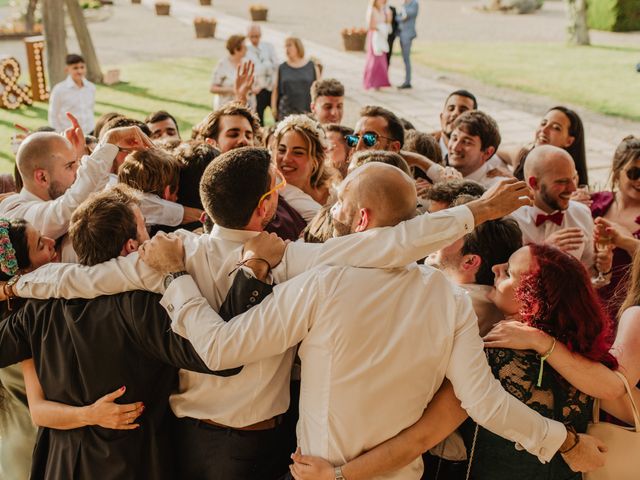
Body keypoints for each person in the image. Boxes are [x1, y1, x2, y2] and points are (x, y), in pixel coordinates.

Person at [141, 165, 606, 480]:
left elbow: (221, 348)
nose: (332, 210)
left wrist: (177, 278)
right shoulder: (450, 299)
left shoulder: (321, 284)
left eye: (340, 202)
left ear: (360, 218)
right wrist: (564, 441)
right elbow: (484, 402)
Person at [0, 187, 267, 479]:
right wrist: (252, 271)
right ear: (130, 247)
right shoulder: (140, 309)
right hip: (129, 465)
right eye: (145, 230)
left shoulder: (37, 309)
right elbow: (219, 356)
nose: (150, 238)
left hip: (60, 466)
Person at [0, 120, 152, 262]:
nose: (78, 171)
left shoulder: (61, 196)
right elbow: (69, 205)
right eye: (69, 166)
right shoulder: (15, 215)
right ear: (42, 177)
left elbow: (94, 191)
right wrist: (109, 141)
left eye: (78, 163)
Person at [195, 103, 307, 241]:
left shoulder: (271, 181)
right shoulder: (205, 192)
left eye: (249, 135)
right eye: (233, 134)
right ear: (211, 144)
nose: (244, 141)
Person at [0, 218, 57, 480]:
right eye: (40, 245)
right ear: (21, 273)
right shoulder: (25, 323)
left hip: (9, 445)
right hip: (33, 448)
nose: (51, 242)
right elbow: (39, 409)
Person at [510, 145, 602, 274]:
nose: (573, 188)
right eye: (562, 182)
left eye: (574, 178)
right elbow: (502, 279)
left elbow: (589, 275)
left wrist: (604, 269)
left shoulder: (582, 214)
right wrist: (541, 252)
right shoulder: (511, 220)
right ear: (534, 183)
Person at [590, 135, 640, 318]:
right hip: (587, 300)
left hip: (626, 310)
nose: (639, 180)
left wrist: (626, 242)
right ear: (617, 170)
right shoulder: (594, 203)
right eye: (634, 173)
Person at [499, 106, 588, 186]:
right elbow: (496, 150)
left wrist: (514, 181)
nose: (544, 130)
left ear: (569, 141)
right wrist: (509, 173)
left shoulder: (571, 180)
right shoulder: (522, 157)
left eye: (556, 127)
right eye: (543, 123)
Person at [426, 111, 510, 189]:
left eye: (466, 142)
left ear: (487, 152)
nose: (455, 147)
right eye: (454, 138)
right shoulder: (435, 170)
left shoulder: (497, 189)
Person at [274, 115, 335, 222]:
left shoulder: (334, 195)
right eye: (282, 150)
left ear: (317, 159)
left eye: (298, 153)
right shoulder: (271, 189)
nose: (286, 158)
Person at [272, 37, 320, 121]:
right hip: (286, 112)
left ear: (298, 47)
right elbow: (275, 90)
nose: (286, 49)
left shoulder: (312, 66)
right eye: (285, 46)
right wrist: (273, 109)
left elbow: (319, 90)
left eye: (289, 45)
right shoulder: (281, 67)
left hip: (308, 111)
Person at [48, 54, 96, 134]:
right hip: (70, 134)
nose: (79, 71)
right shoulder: (59, 89)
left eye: (82, 67)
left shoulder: (91, 87)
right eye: (75, 68)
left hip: (90, 132)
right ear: (67, 69)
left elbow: (90, 109)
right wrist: (59, 133)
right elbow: (53, 114)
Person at [246, 24, 278, 125]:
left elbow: (275, 66)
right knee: (258, 120)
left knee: (276, 116)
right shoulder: (246, 50)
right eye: (252, 36)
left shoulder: (268, 47)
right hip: (257, 90)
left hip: (271, 87)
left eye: (257, 36)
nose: (254, 39)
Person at [210, 35, 253, 111]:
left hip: (245, 107)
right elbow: (212, 88)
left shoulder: (246, 63)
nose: (247, 49)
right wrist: (233, 90)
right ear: (236, 49)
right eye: (245, 47)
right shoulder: (222, 64)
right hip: (226, 108)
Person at [430, 90, 478, 159]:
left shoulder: (480, 157)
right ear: (441, 117)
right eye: (451, 108)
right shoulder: (421, 148)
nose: (455, 113)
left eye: (463, 110)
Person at [363, 0, 392, 91]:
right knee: (373, 60)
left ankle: (379, 83)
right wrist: (380, 28)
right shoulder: (372, 10)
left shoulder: (384, 10)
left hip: (381, 37)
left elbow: (388, 23)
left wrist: (388, 15)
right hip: (374, 37)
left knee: (381, 62)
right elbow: (370, 25)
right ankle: (370, 82)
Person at [396, 0, 419, 89]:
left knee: (406, 58)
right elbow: (398, 18)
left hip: (408, 34)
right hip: (401, 34)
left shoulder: (414, 3)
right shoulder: (404, 4)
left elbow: (407, 15)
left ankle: (407, 81)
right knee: (404, 58)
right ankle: (406, 80)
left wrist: (401, 16)